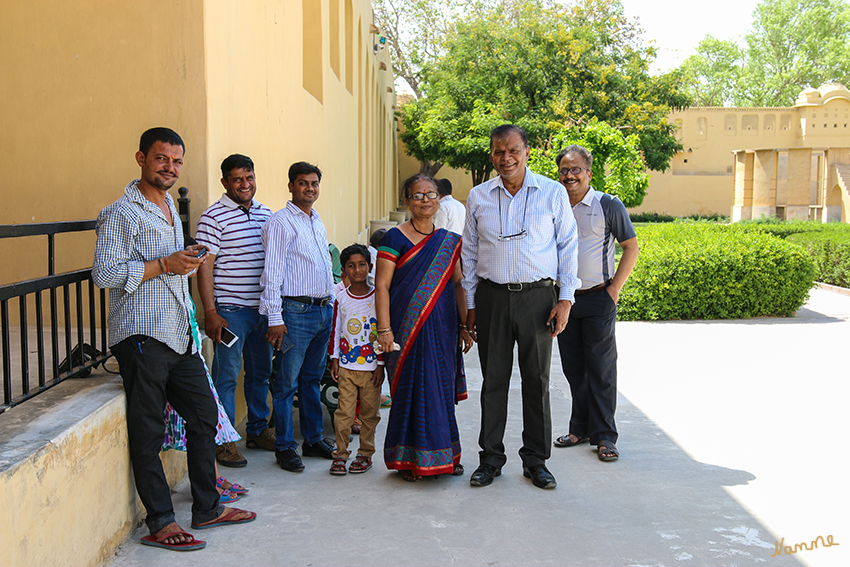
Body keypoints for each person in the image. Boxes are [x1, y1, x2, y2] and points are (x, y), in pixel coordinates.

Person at [92, 127, 255, 552]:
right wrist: (164, 263)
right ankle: (161, 520)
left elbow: (164, 269)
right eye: (162, 159)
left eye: (177, 161)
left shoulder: (167, 205)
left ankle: (207, 507)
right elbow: (104, 275)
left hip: (178, 334)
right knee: (147, 431)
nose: (170, 167)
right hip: (141, 335)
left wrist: (179, 268)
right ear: (141, 158)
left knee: (203, 419)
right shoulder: (120, 212)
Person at [461, 124, 580, 490]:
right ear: (492, 156)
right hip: (492, 298)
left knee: (537, 381)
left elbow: (568, 247)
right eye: (499, 151)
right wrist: (470, 305)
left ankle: (536, 460)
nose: (506, 158)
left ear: (527, 151)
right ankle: (491, 459)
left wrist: (565, 299)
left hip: (538, 299)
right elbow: (468, 253)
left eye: (513, 150)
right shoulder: (478, 196)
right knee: (493, 381)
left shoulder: (552, 193)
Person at [376, 174, 474, 482]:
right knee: (409, 392)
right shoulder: (394, 237)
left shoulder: (448, 241)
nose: (425, 200)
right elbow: (381, 286)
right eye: (417, 195)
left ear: (439, 199)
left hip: (443, 327)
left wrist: (464, 325)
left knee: (440, 391)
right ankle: (409, 460)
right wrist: (384, 329)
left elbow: (459, 284)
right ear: (407, 201)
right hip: (404, 328)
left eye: (431, 194)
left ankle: (446, 456)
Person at [553, 145, 639, 462]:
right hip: (563, 301)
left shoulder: (607, 205)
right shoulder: (555, 205)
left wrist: (614, 289)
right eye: (564, 170)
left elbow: (631, 246)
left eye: (576, 169)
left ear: (589, 173)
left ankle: (605, 437)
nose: (569, 175)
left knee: (601, 370)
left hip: (597, 298)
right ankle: (580, 428)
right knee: (574, 369)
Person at [196, 154, 275, 468]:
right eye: (237, 179)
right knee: (226, 376)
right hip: (230, 313)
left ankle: (257, 430)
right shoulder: (212, 218)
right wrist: (211, 311)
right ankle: (224, 441)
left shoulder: (267, 215)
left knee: (260, 374)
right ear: (225, 182)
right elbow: (205, 267)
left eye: (249, 177)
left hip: (262, 312)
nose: (245, 184)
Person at [260, 161, 336, 472]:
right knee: (286, 383)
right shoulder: (280, 223)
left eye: (314, 183)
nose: (310, 188)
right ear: (291, 186)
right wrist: (274, 318)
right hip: (294, 313)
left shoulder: (316, 221)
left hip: (322, 311)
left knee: (310, 381)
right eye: (303, 183)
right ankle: (285, 446)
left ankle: (314, 439)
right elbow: (272, 272)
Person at [328, 244, 385, 475]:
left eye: (362, 265)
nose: (357, 270)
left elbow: (382, 330)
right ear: (344, 271)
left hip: (372, 368)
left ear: (370, 267)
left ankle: (365, 454)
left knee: (370, 414)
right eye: (351, 266)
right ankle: (340, 455)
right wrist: (334, 358)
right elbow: (337, 329)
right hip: (346, 367)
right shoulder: (341, 297)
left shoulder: (378, 297)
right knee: (344, 413)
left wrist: (380, 364)